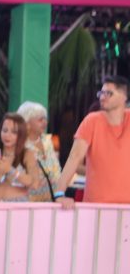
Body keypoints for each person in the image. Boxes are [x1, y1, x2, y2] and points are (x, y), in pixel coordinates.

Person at [54, 76, 130, 206]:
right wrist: (59, 193)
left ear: (124, 97)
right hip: (96, 206)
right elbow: (75, 157)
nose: (102, 96)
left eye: (109, 93)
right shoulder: (92, 121)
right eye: (101, 92)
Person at [16, 101, 61, 203]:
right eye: (40, 119)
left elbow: (57, 169)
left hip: (52, 199)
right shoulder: (20, 145)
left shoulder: (48, 141)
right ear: (27, 123)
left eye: (45, 118)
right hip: (28, 201)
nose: (45, 122)